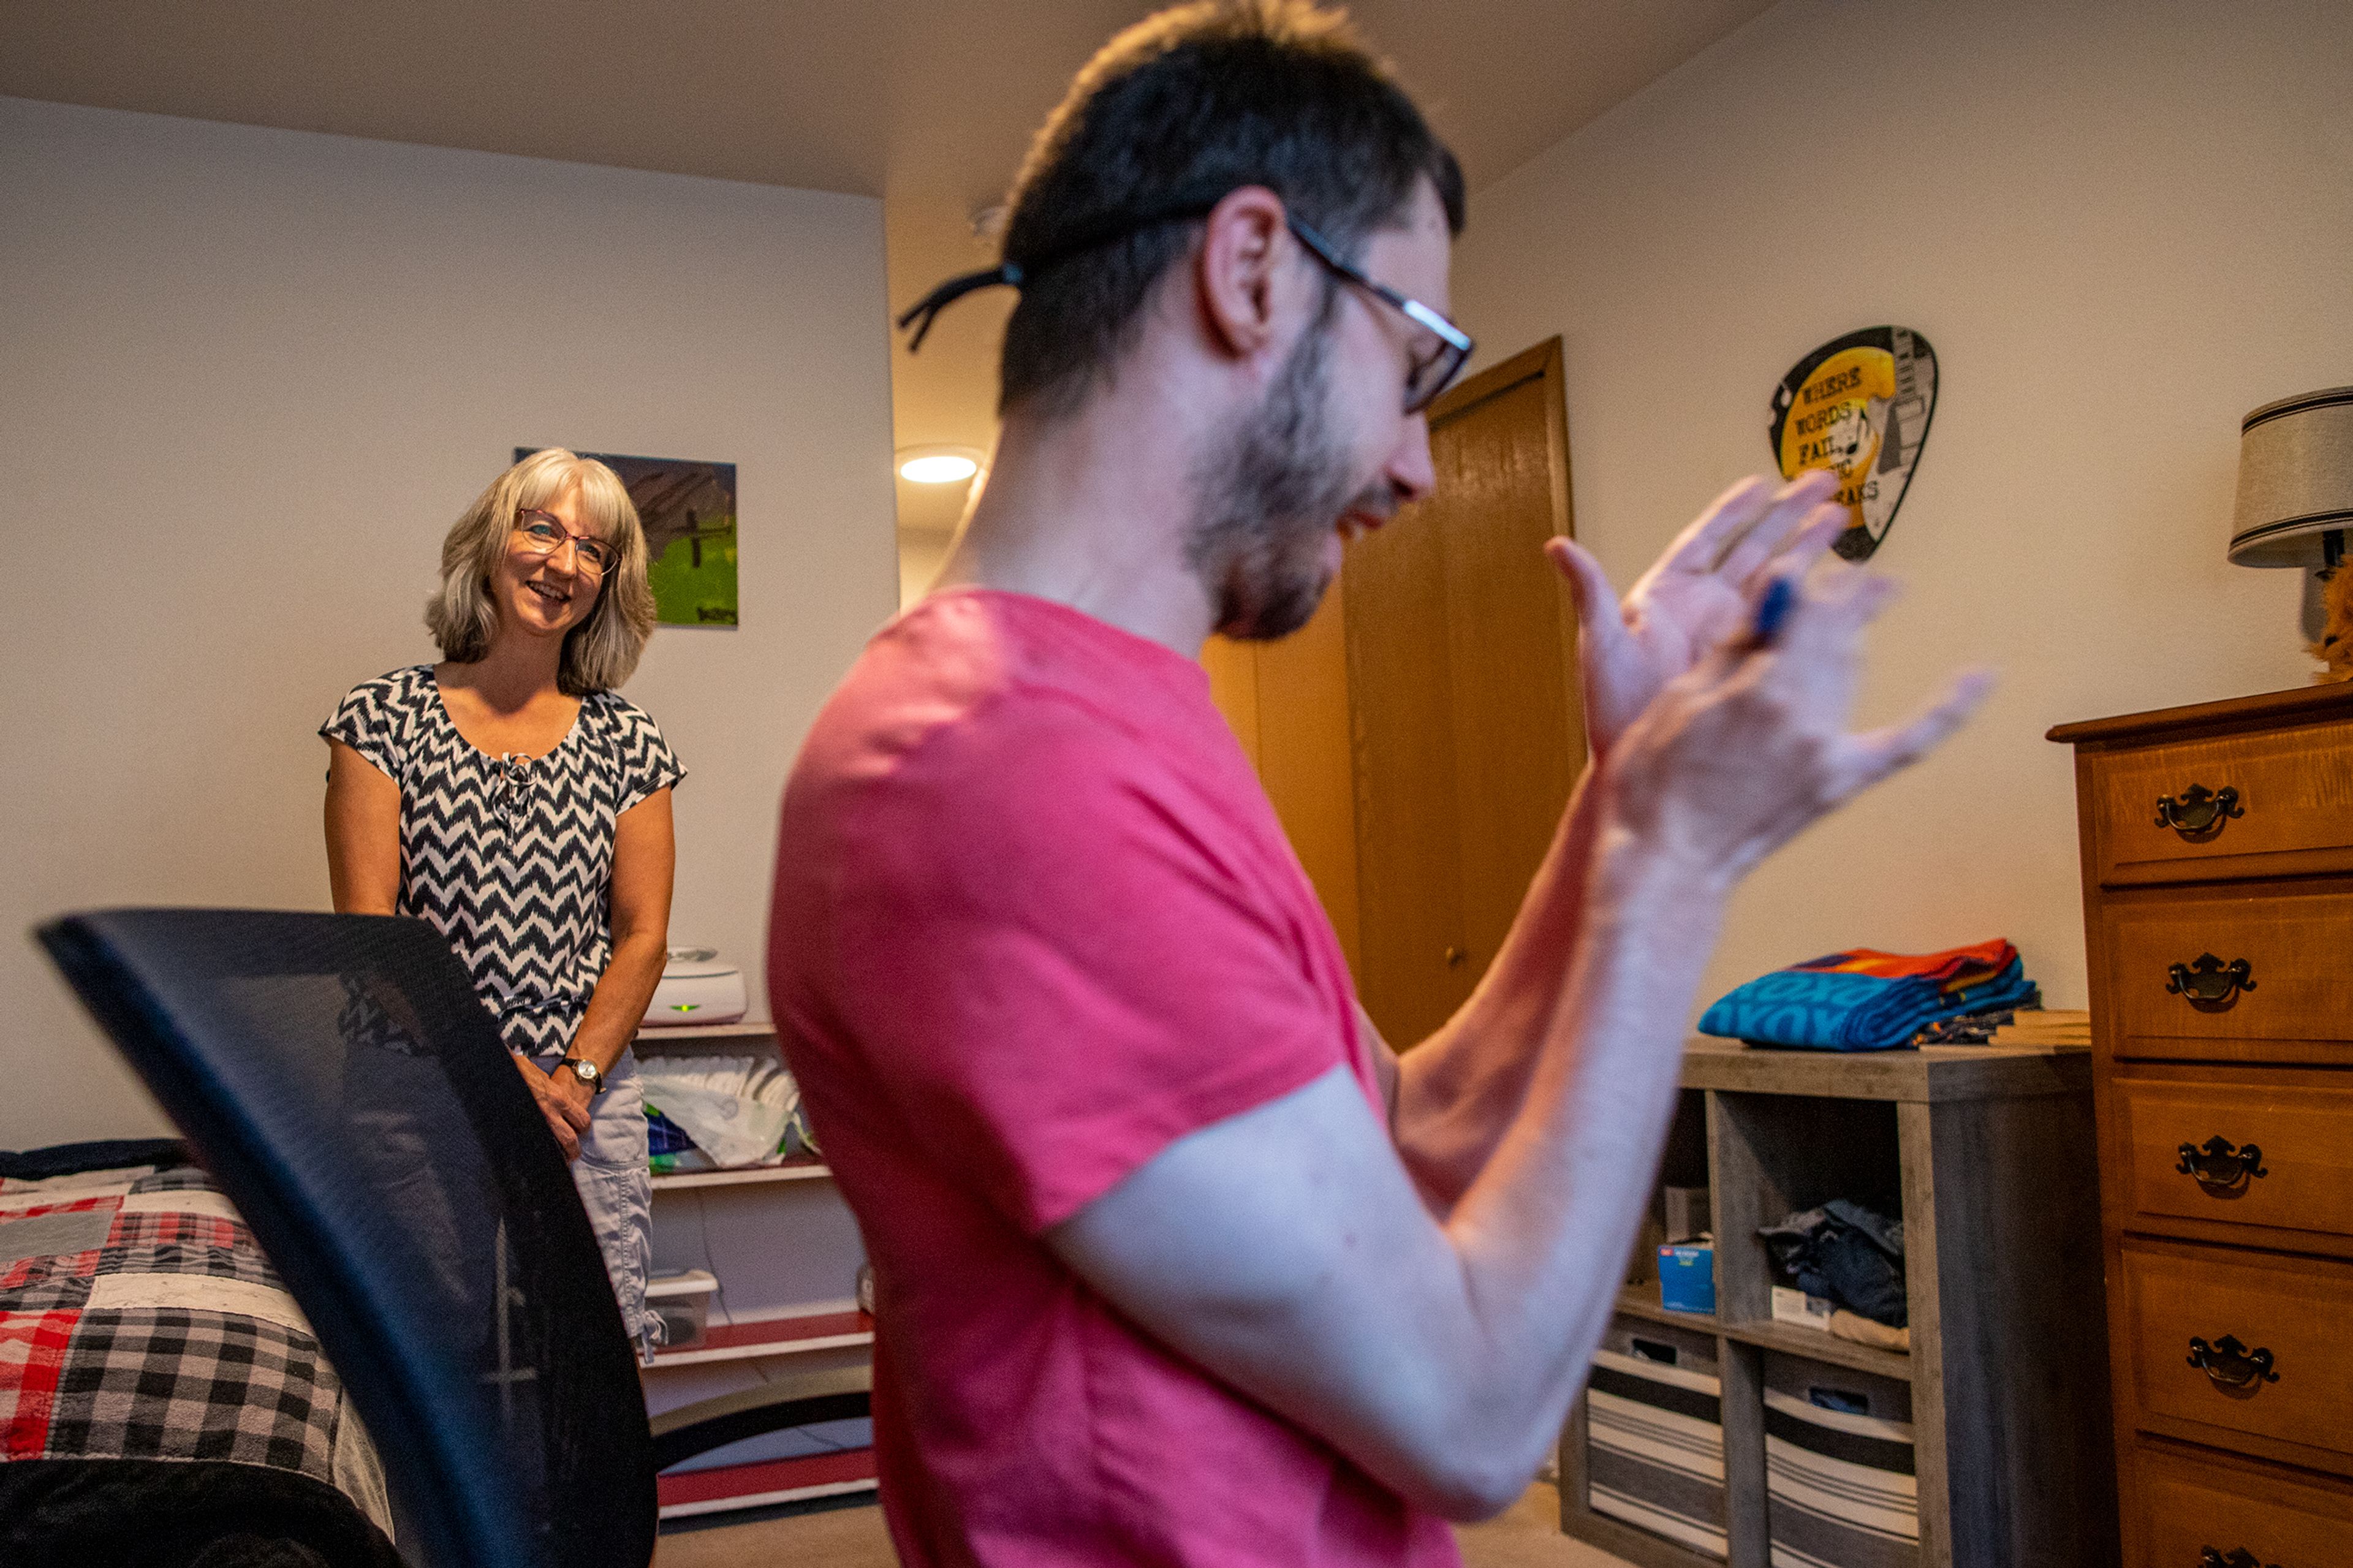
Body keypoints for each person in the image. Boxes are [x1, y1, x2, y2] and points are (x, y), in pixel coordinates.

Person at [768, 3, 1990, 1564]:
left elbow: (1408, 1122)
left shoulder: (1099, 715)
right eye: (1414, 367)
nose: (1417, 464)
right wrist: (1680, 863)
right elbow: (1474, 1409)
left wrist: (1625, 792)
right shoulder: (993, 772)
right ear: (1254, 268)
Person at [322, 447, 684, 1353]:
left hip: (582, 1103)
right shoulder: (380, 719)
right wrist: (495, 1076)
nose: (564, 563)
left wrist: (572, 1082)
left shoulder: (628, 741)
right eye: (543, 529)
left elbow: (642, 937)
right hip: (414, 1091)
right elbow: (374, 938)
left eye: (593, 550)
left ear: (608, 584)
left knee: (591, 1361)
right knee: (425, 1364)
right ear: (491, 545)